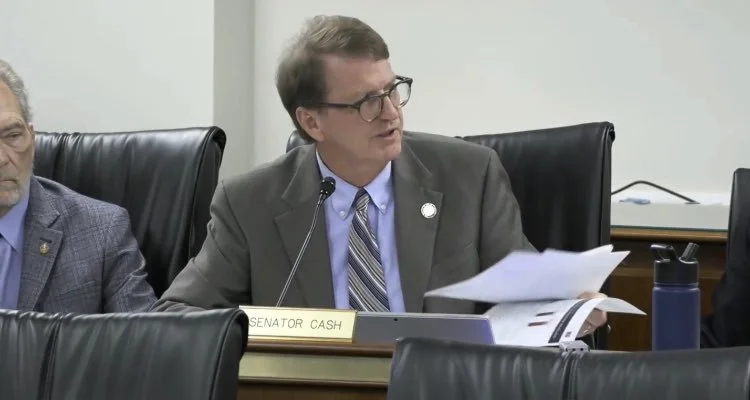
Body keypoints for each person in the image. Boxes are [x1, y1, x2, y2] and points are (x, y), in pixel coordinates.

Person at [153, 15, 606, 336]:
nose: (391, 113)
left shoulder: (471, 175)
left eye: (392, 90)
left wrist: (567, 311)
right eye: (367, 101)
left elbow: (528, 291)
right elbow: (174, 316)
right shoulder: (250, 202)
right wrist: (261, 332)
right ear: (312, 122)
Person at [0, 59, 156, 313]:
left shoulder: (102, 233)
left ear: (32, 139)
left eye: (13, 136)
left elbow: (144, 334)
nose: (2, 158)